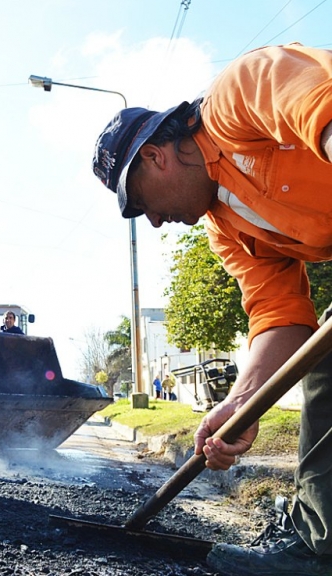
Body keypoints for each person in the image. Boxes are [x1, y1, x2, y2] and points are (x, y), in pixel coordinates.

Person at [91, 43, 332, 575]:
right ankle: (323, 550)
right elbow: (282, 316)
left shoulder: (237, 95)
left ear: (155, 156)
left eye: (139, 202)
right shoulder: (229, 230)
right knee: (325, 362)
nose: (151, 221)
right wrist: (244, 405)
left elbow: (324, 105)